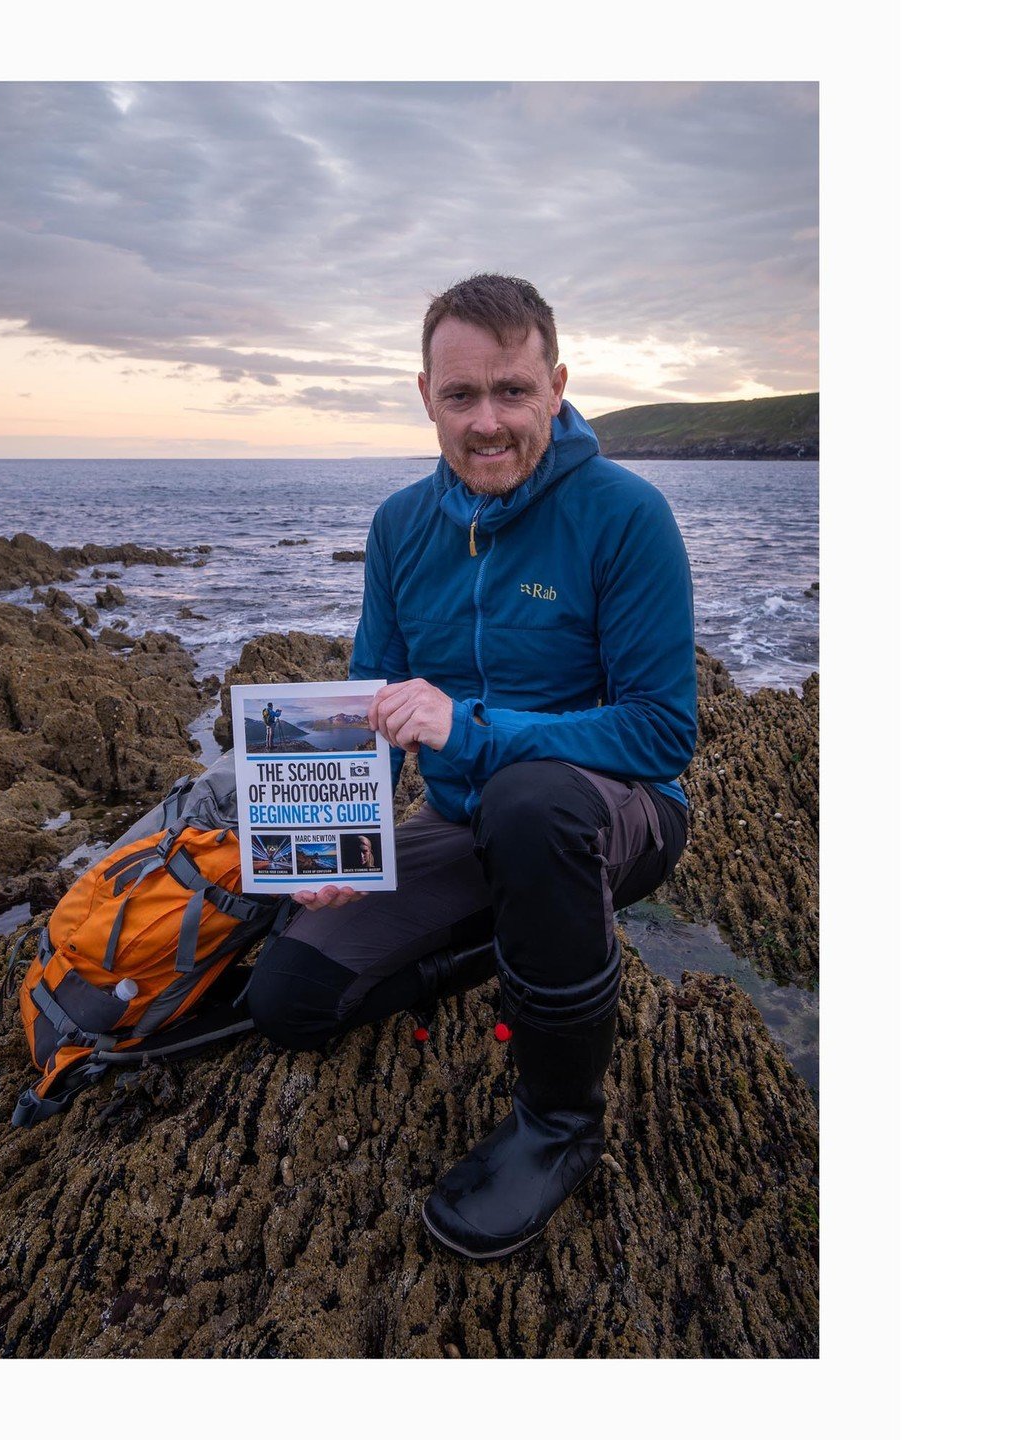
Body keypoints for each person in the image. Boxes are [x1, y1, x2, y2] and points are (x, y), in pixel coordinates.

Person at [246, 274, 697, 1260]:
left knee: (528, 803)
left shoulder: (628, 515)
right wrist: (330, 847)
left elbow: (665, 733)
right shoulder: (401, 527)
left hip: (612, 816)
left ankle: (559, 1122)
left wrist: (478, 731)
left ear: (557, 385)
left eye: (512, 392)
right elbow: (368, 697)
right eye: (462, 397)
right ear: (426, 397)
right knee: (288, 1000)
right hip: (467, 826)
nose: (487, 423)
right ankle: (530, 943)